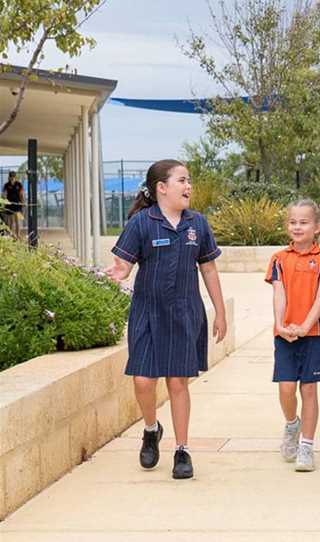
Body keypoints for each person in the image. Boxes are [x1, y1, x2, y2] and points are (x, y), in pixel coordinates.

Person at [104, 159, 227, 480]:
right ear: (162, 188)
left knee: (177, 382)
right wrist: (118, 272)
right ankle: (150, 429)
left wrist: (220, 312)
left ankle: (182, 450)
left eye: (189, 181)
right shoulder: (142, 224)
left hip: (185, 313)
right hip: (147, 313)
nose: (188, 186)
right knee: (143, 381)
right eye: (182, 180)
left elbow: (209, 268)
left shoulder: (197, 224)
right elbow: (124, 264)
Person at [265, 199, 320, 472]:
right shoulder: (279, 260)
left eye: (304, 222)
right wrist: (281, 324)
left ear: (317, 227)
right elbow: (278, 293)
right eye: (293, 222)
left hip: (314, 335)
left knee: (309, 389)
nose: (297, 227)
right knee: (286, 389)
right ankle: (292, 424)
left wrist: (306, 326)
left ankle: (306, 446)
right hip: (284, 335)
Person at [2, 171, 25, 238]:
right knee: (11, 222)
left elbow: (21, 194)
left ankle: (18, 235)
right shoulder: (6, 185)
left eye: (13, 177)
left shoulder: (19, 184)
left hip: (17, 206)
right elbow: (4, 195)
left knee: (17, 221)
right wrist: (5, 200)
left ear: (15, 177)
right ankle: (12, 235)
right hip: (9, 206)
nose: (12, 178)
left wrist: (22, 202)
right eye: (11, 177)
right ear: (9, 177)